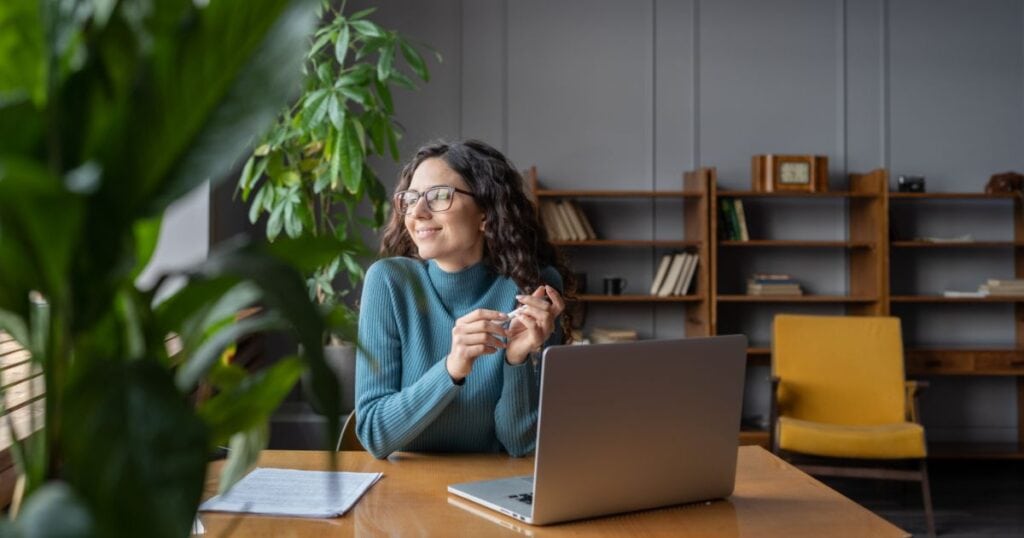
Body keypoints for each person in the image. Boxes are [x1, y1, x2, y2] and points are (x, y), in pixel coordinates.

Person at [354, 139, 574, 459]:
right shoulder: (389, 283)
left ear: (485, 213)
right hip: (404, 487)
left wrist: (516, 360)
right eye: (410, 199)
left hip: (492, 487)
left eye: (439, 196)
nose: (417, 212)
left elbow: (521, 444)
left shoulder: (534, 289)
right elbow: (374, 434)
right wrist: (452, 367)